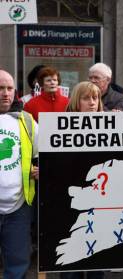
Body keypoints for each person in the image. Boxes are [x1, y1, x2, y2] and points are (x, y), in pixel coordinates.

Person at [60, 81, 105, 279]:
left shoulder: (112, 126)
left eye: (95, 98)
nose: (92, 102)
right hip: (70, 205)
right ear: (77, 102)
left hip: (101, 205)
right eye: (86, 98)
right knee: (71, 266)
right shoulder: (59, 127)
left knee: (97, 264)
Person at [0, 69, 39, 279]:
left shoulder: (27, 121)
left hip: (18, 209)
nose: (5, 93)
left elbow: (47, 155)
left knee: (17, 271)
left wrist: (40, 169)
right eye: (0, 88)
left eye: (9, 88)